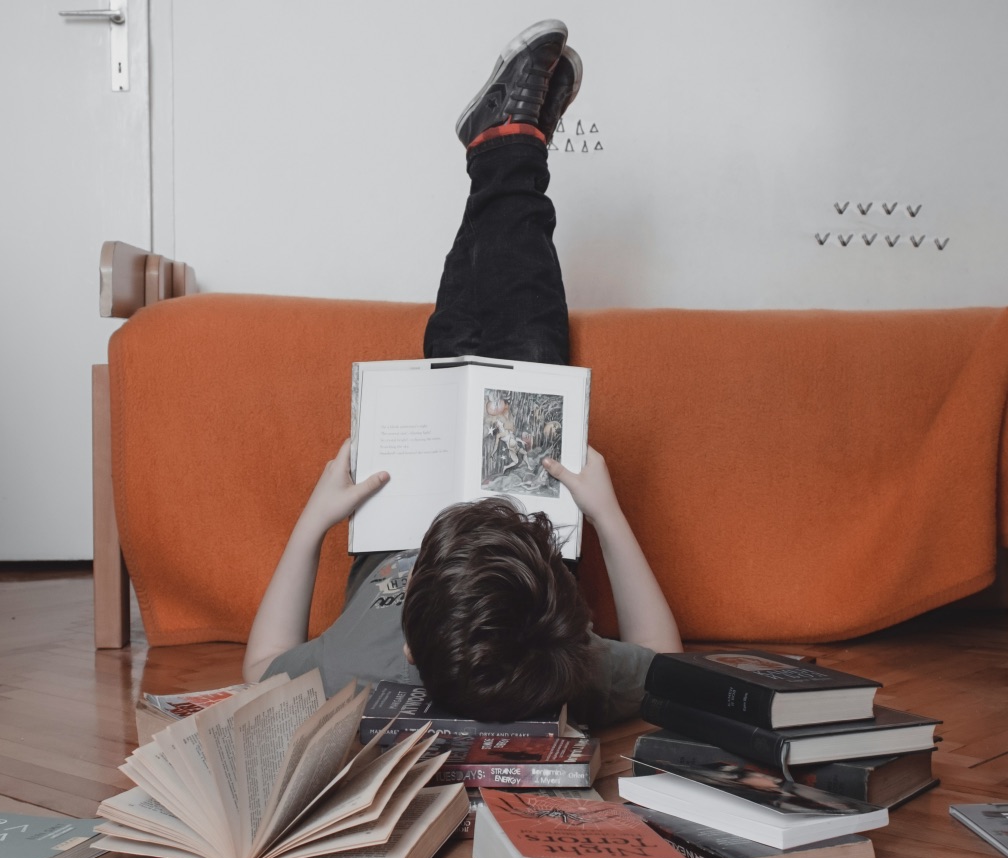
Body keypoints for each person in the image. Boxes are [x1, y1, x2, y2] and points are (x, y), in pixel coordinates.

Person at [241, 20, 682, 729]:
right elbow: (665, 660)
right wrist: (606, 513)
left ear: (409, 652)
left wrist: (315, 522)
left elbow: (260, 669)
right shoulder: (555, 663)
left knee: (468, 340)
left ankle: (508, 147)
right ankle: (507, 146)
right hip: (514, 566)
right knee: (527, 345)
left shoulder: (365, 665)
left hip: (413, 500)